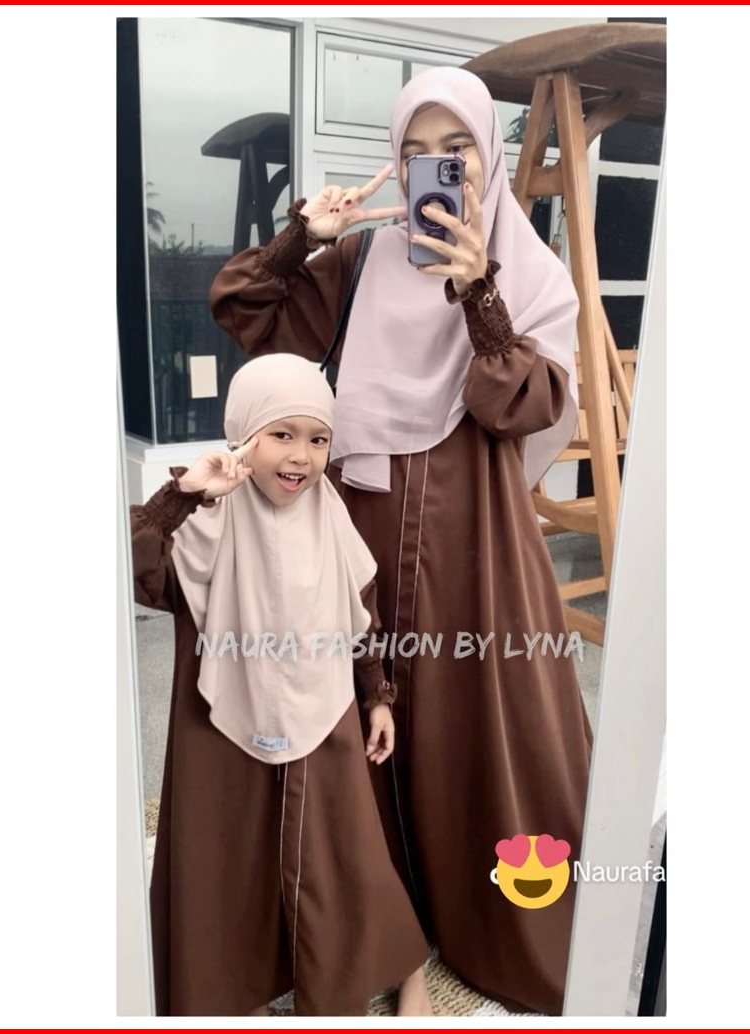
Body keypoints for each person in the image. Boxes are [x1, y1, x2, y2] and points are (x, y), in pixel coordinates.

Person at [209, 66, 594, 1015]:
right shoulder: (359, 266)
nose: (436, 169)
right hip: (360, 524)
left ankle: (487, 919)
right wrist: (306, 235)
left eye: (455, 150)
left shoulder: (527, 272)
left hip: (476, 539)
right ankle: (368, 929)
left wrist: (478, 292)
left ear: (488, 155)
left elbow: (524, 405)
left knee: (477, 718)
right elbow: (246, 309)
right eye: (415, 153)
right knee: (348, 715)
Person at [130, 353, 430, 1016]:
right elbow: (134, 565)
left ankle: (403, 967)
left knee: (346, 853)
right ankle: (233, 983)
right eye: (281, 434)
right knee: (228, 852)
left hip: (324, 710)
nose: (301, 456)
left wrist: (377, 698)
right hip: (222, 715)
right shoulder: (206, 516)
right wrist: (186, 494)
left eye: (318, 439)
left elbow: (361, 613)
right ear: (244, 437)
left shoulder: (330, 515)